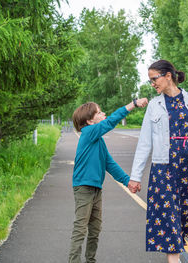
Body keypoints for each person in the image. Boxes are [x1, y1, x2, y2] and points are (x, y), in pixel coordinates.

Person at [130, 60, 188, 263]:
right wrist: (135, 176)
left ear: (168, 76)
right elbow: (144, 143)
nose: (152, 84)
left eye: (154, 79)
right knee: (167, 213)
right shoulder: (154, 105)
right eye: (150, 80)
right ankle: (174, 260)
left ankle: (176, 252)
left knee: (185, 214)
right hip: (164, 168)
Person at [68, 98, 148, 263]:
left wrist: (129, 181)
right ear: (90, 121)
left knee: (95, 229)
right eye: (99, 112)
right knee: (80, 228)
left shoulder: (98, 140)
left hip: (96, 189)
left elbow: (109, 164)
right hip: (83, 187)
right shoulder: (88, 133)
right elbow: (110, 122)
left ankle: (90, 260)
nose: (103, 113)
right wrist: (132, 104)